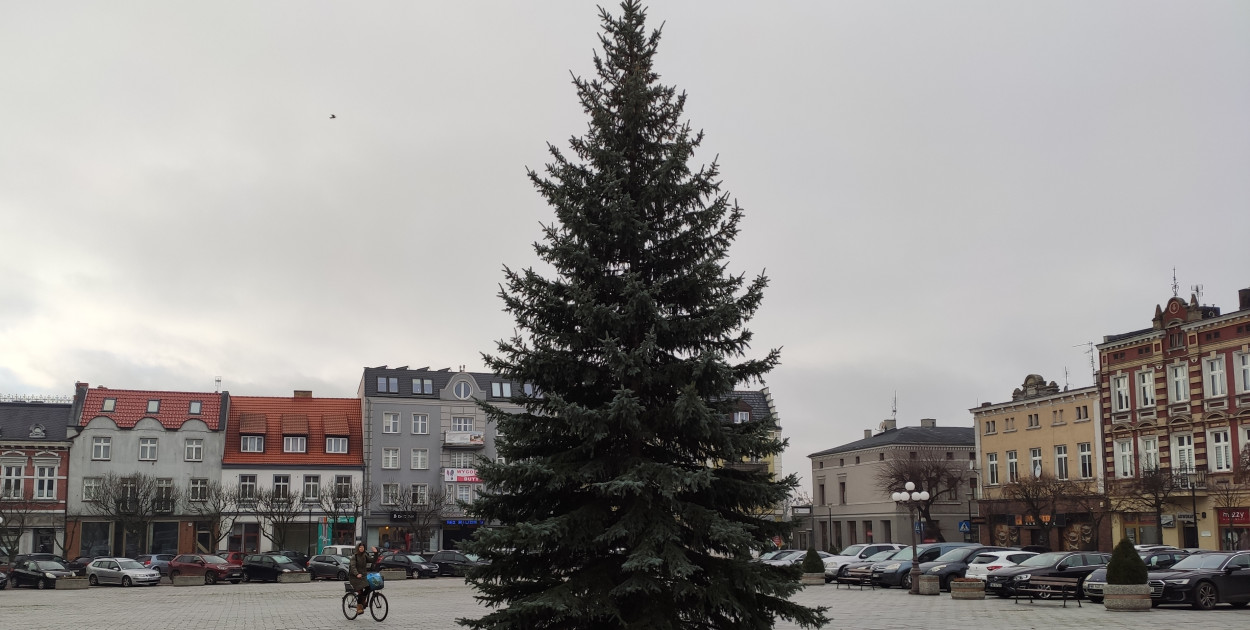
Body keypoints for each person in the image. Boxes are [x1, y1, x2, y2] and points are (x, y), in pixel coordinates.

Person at [348, 543, 380, 615]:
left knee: (369, 587)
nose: (361, 549)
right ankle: (359, 607)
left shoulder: (365, 555)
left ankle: (363, 600)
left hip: (363, 577)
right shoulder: (354, 557)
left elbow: (373, 560)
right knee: (360, 591)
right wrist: (357, 574)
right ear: (358, 548)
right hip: (354, 577)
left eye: (362, 547)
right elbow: (353, 567)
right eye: (360, 547)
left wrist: (376, 553)